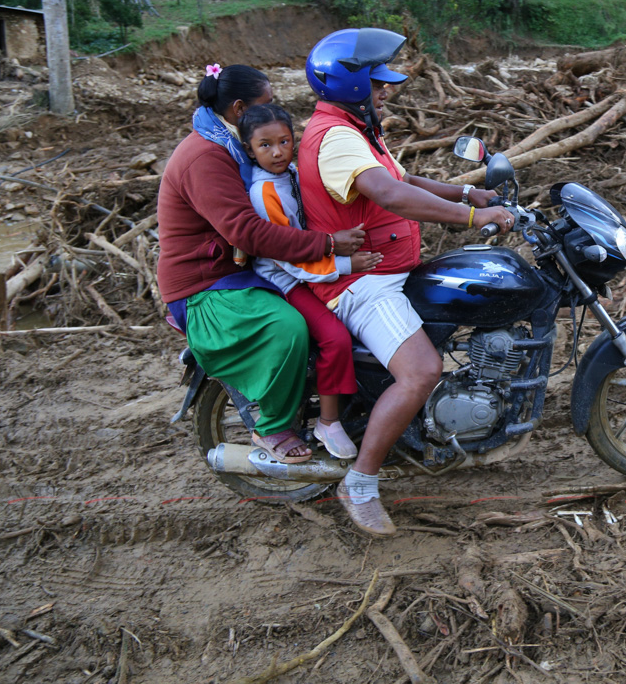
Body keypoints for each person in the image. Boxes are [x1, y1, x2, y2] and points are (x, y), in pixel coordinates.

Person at [298, 28, 515, 536]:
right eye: (377, 82)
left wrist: (470, 191)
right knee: (421, 371)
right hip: (362, 283)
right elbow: (387, 195)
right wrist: (467, 218)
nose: (386, 90)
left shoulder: (358, 129)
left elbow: (405, 181)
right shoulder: (334, 138)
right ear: (350, 85)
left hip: (388, 271)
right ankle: (360, 483)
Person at [157, 63, 366, 465]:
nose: (271, 112)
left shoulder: (231, 146)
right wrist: (326, 244)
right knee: (288, 328)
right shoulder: (205, 156)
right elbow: (246, 232)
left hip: (239, 272)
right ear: (239, 109)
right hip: (206, 286)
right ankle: (272, 426)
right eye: (264, 104)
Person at [239, 102, 382, 459]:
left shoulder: (293, 174)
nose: (277, 152)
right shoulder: (264, 194)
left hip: (318, 264)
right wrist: (345, 264)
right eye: (265, 145)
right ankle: (329, 421)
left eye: (285, 142)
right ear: (249, 149)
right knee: (334, 337)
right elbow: (289, 257)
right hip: (288, 280)